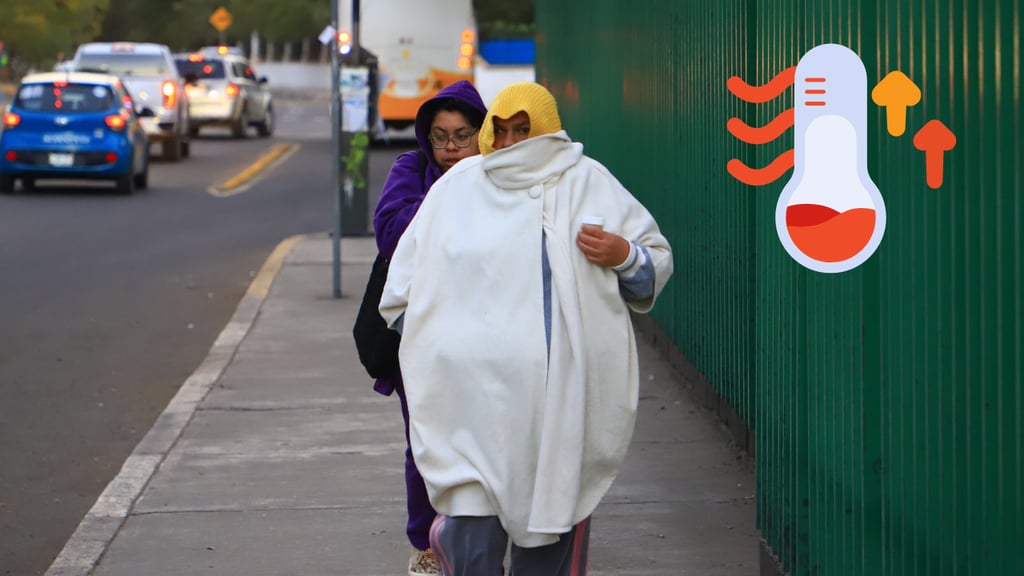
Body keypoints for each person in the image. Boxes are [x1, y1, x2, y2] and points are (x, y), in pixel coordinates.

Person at [379, 82, 674, 576]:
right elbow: (404, 286)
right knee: (474, 534)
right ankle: (450, 540)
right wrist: (439, 346)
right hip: (472, 402)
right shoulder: (459, 187)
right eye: (503, 131)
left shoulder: (586, 181)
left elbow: (652, 260)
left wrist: (621, 254)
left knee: (549, 525)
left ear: (549, 131)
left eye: (525, 130)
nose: (514, 143)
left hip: (557, 399)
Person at [372, 79, 487, 576]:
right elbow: (390, 233)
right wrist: (446, 196)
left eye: (462, 136)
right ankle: (425, 543)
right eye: (439, 137)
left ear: (483, 134)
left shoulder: (498, 175)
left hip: (486, 332)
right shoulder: (412, 170)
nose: (450, 149)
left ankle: (481, 539)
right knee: (426, 439)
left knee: (486, 438)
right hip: (420, 336)